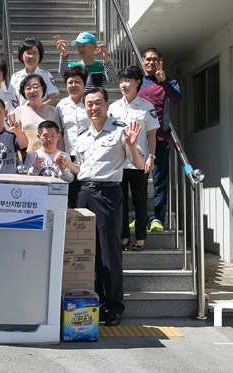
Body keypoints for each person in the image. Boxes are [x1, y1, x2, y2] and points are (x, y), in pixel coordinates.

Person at [68, 87, 143, 327]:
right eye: (89, 104)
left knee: (110, 252)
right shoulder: (82, 137)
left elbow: (139, 164)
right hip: (84, 194)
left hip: (108, 194)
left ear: (107, 105)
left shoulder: (121, 132)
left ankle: (114, 306)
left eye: (98, 103)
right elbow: (82, 170)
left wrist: (131, 145)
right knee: (87, 253)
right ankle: (94, 303)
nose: (94, 108)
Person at [109, 66, 159, 251]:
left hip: (139, 161)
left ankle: (140, 237)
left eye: (128, 80)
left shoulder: (147, 107)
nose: (124, 84)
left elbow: (152, 135)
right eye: (122, 81)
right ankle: (123, 237)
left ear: (138, 82)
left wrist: (151, 157)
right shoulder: (113, 107)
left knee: (140, 200)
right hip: (119, 163)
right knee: (120, 201)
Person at [138, 47, 182, 232]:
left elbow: (176, 99)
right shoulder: (138, 82)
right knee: (138, 182)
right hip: (139, 140)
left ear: (160, 61)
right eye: (147, 59)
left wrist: (164, 83)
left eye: (154, 59)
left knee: (160, 181)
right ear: (142, 60)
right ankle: (138, 217)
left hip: (161, 139)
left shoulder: (169, 82)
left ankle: (157, 218)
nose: (150, 62)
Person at [56, 65, 91, 207]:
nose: (73, 85)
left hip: (88, 155)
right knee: (71, 193)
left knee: (87, 193)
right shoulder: (61, 105)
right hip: (69, 155)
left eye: (77, 82)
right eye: (70, 82)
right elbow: (60, 132)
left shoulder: (90, 103)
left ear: (85, 84)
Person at [11, 74, 63, 153]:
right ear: (23, 92)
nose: (32, 91)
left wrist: (61, 155)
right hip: (28, 159)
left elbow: (59, 138)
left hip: (50, 159)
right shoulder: (18, 111)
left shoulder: (52, 111)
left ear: (42, 88)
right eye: (28, 88)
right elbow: (17, 139)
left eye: (35, 87)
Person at [8, 38, 59, 107]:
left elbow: (51, 99)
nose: (31, 56)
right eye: (28, 53)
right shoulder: (15, 77)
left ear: (39, 55)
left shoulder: (46, 75)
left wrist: (37, 108)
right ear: (21, 56)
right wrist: (22, 111)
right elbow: (11, 99)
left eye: (34, 53)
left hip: (41, 115)